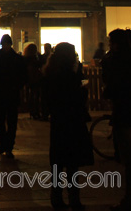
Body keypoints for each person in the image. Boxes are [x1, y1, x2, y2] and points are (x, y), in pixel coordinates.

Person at [44, 42, 92, 210]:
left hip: (58, 121)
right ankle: (73, 198)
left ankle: (56, 196)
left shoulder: (51, 73)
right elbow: (76, 96)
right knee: (72, 163)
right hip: (72, 120)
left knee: (58, 161)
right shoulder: (69, 75)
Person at [102, 28, 131, 211]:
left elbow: (110, 88)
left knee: (130, 160)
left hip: (124, 114)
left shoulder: (115, 63)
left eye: (111, 42)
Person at [0, 34, 26, 158]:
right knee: (6, 121)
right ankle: (5, 144)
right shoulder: (16, 59)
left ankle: (6, 145)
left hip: (2, 93)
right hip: (8, 93)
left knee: (4, 120)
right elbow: (23, 76)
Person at [22, 42, 41, 119]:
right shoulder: (35, 58)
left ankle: (31, 111)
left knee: (30, 95)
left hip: (28, 79)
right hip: (35, 79)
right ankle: (35, 111)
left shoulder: (25, 58)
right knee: (35, 95)